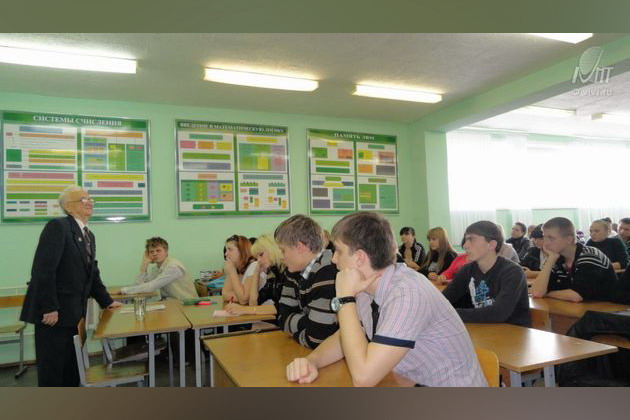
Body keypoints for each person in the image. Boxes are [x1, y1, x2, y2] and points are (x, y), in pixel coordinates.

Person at [285, 211, 486, 387]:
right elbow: (346, 335)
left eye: (338, 250)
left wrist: (345, 298)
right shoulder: (367, 286)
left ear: (359, 257)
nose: (334, 259)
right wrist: (312, 361)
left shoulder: (407, 293)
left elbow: (363, 378)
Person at [20, 186, 122, 386]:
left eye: (90, 198)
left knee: (72, 368)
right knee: (53, 371)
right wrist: (49, 307)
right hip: (54, 315)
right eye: (83, 199)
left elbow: (92, 274)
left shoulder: (88, 235)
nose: (89, 202)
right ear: (68, 207)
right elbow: (43, 270)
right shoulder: (58, 227)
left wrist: (107, 302)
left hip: (74, 314)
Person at [443, 221, 530, 326]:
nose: (465, 245)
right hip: (483, 328)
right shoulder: (466, 270)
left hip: (513, 331)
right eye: (466, 240)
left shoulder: (513, 272)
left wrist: (449, 314)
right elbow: (443, 300)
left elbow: (498, 313)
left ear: (491, 244)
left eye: (471, 239)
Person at [275, 215, 338, 349]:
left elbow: (316, 338)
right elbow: (282, 318)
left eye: (283, 250)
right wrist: (309, 323)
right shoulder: (293, 270)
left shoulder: (327, 272)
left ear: (300, 247)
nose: (281, 257)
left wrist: (298, 332)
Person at [530, 217, 617, 302]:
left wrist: (547, 293)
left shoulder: (589, 256)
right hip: (579, 308)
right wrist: (550, 260)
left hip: (607, 308)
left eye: (551, 238)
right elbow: (536, 292)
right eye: (544, 237)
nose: (545, 243)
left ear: (569, 239)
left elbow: (577, 295)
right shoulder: (555, 257)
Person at [224, 233, 286, 318]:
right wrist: (256, 272)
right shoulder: (272, 274)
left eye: (261, 255)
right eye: (257, 257)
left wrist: (243, 309)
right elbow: (253, 303)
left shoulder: (286, 272)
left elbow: (280, 307)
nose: (258, 261)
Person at [120, 237, 198, 300]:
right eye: (151, 252)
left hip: (187, 305)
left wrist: (124, 290)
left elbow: (151, 287)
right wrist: (144, 264)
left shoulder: (173, 267)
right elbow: (140, 285)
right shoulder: (156, 268)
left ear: (166, 252)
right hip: (171, 304)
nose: (155, 254)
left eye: (158, 251)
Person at [221, 234, 257, 304]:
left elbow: (243, 300)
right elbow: (225, 294)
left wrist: (232, 271)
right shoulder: (235, 267)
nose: (226, 254)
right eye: (226, 250)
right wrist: (239, 297)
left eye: (230, 249)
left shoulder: (254, 266)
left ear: (242, 251)